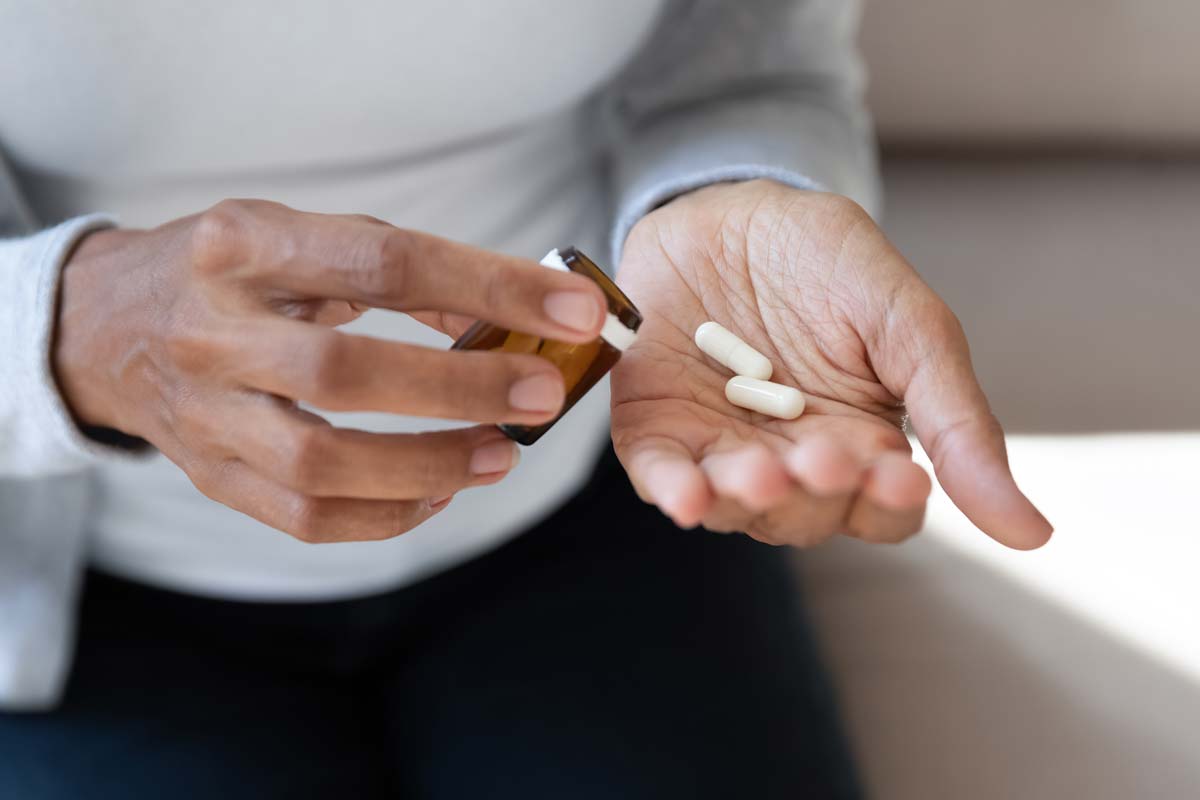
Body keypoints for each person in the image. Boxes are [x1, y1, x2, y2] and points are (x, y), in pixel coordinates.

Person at [0, 1, 1051, 797]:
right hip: (82, 602)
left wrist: (730, 188)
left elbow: (745, 50)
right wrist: (57, 328)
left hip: (608, 493)